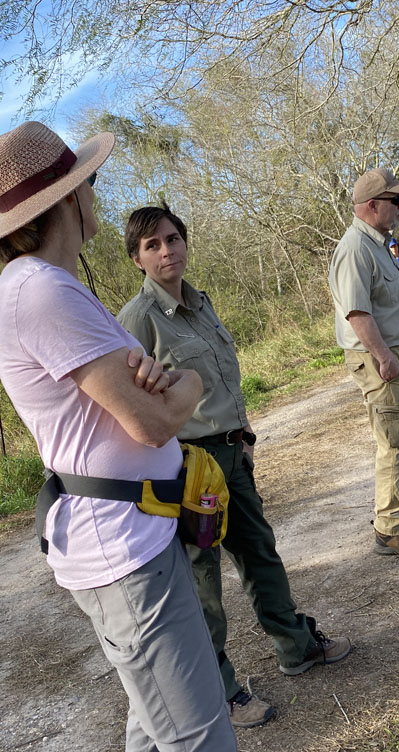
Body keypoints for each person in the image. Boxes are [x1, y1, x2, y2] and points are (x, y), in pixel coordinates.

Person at [0, 122, 236, 751]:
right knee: (199, 736)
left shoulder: (47, 287)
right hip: (124, 551)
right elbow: (152, 420)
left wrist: (162, 390)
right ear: (66, 199)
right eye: (91, 182)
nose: (95, 193)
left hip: (135, 535)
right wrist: (188, 381)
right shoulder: (41, 291)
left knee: (153, 728)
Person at [117, 202, 351, 729]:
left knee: (260, 553)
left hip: (231, 455)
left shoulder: (202, 304)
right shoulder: (137, 320)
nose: (167, 250)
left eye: (173, 238)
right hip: (188, 469)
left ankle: (296, 646)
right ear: (137, 259)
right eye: (152, 245)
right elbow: (133, 410)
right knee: (203, 583)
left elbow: (226, 376)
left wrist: (243, 435)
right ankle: (217, 692)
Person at [328, 168, 399, 558]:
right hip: (380, 358)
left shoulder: (377, 244)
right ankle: (389, 528)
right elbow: (357, 314)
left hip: (394, 351)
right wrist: (385, 356)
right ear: (373, 205)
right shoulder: (355, 248)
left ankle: (396, 508)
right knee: (393, 440)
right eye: (396, 200)